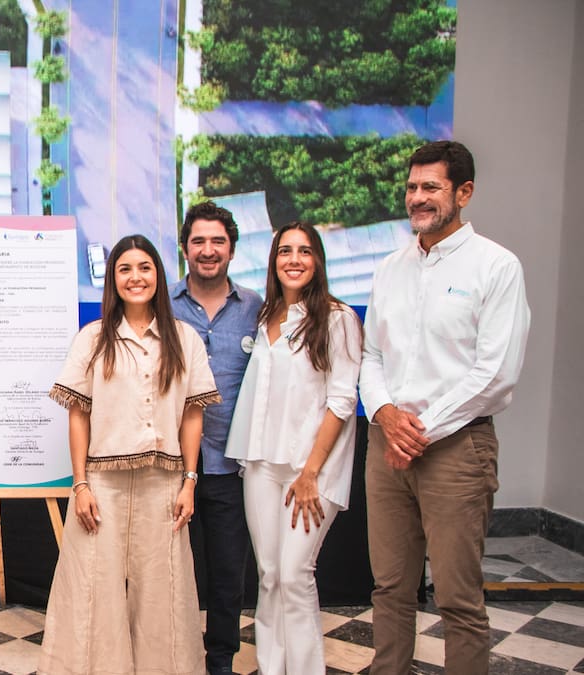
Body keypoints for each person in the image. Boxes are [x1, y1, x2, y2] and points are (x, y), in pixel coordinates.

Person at [360, 141, 530, 675]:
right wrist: (386, 416)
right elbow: (370, 355)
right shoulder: (390, 267)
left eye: (430, 187)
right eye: (412, 187)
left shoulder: (496, 267)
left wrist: (419, 431)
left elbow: (496, 373)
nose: (417, 197)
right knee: (390, 588)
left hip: (456, 448)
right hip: (387, 445)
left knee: (458, 599)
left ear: (464, 192)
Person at [40, 234, 219, 675]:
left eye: (144, 267)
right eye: (124, 269)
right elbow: (78, 415)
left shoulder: (184, 339)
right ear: (112, 279)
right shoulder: (93, 338)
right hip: (102, 485)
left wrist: (189, 481)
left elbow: (192, 415)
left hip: (165, 483)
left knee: (166, 593)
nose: (135, 277)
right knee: (90, 589)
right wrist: (80, 485)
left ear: (158, 274)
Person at [225, 222, 362, 674]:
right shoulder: (266, 316)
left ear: (318, 260)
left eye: (304, 251)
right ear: (274, 261)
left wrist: (310, 473)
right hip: (261, 464)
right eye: (285, 251)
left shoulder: (338, 319)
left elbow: (342, 401)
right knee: (269, 575)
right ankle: (273, 667)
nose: (294, 259)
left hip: (310, 470)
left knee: (295, 574)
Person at [169, 201, 262, 674]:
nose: (208, 250)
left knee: (228, 573)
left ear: (232, 249)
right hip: (169, 465)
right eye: (199, 241)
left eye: (218, 241)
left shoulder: (257, 309)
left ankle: (220, 659)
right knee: (169, 572)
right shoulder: (162, 305)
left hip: (231, 463)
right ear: (184, 248)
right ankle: (173, 655)